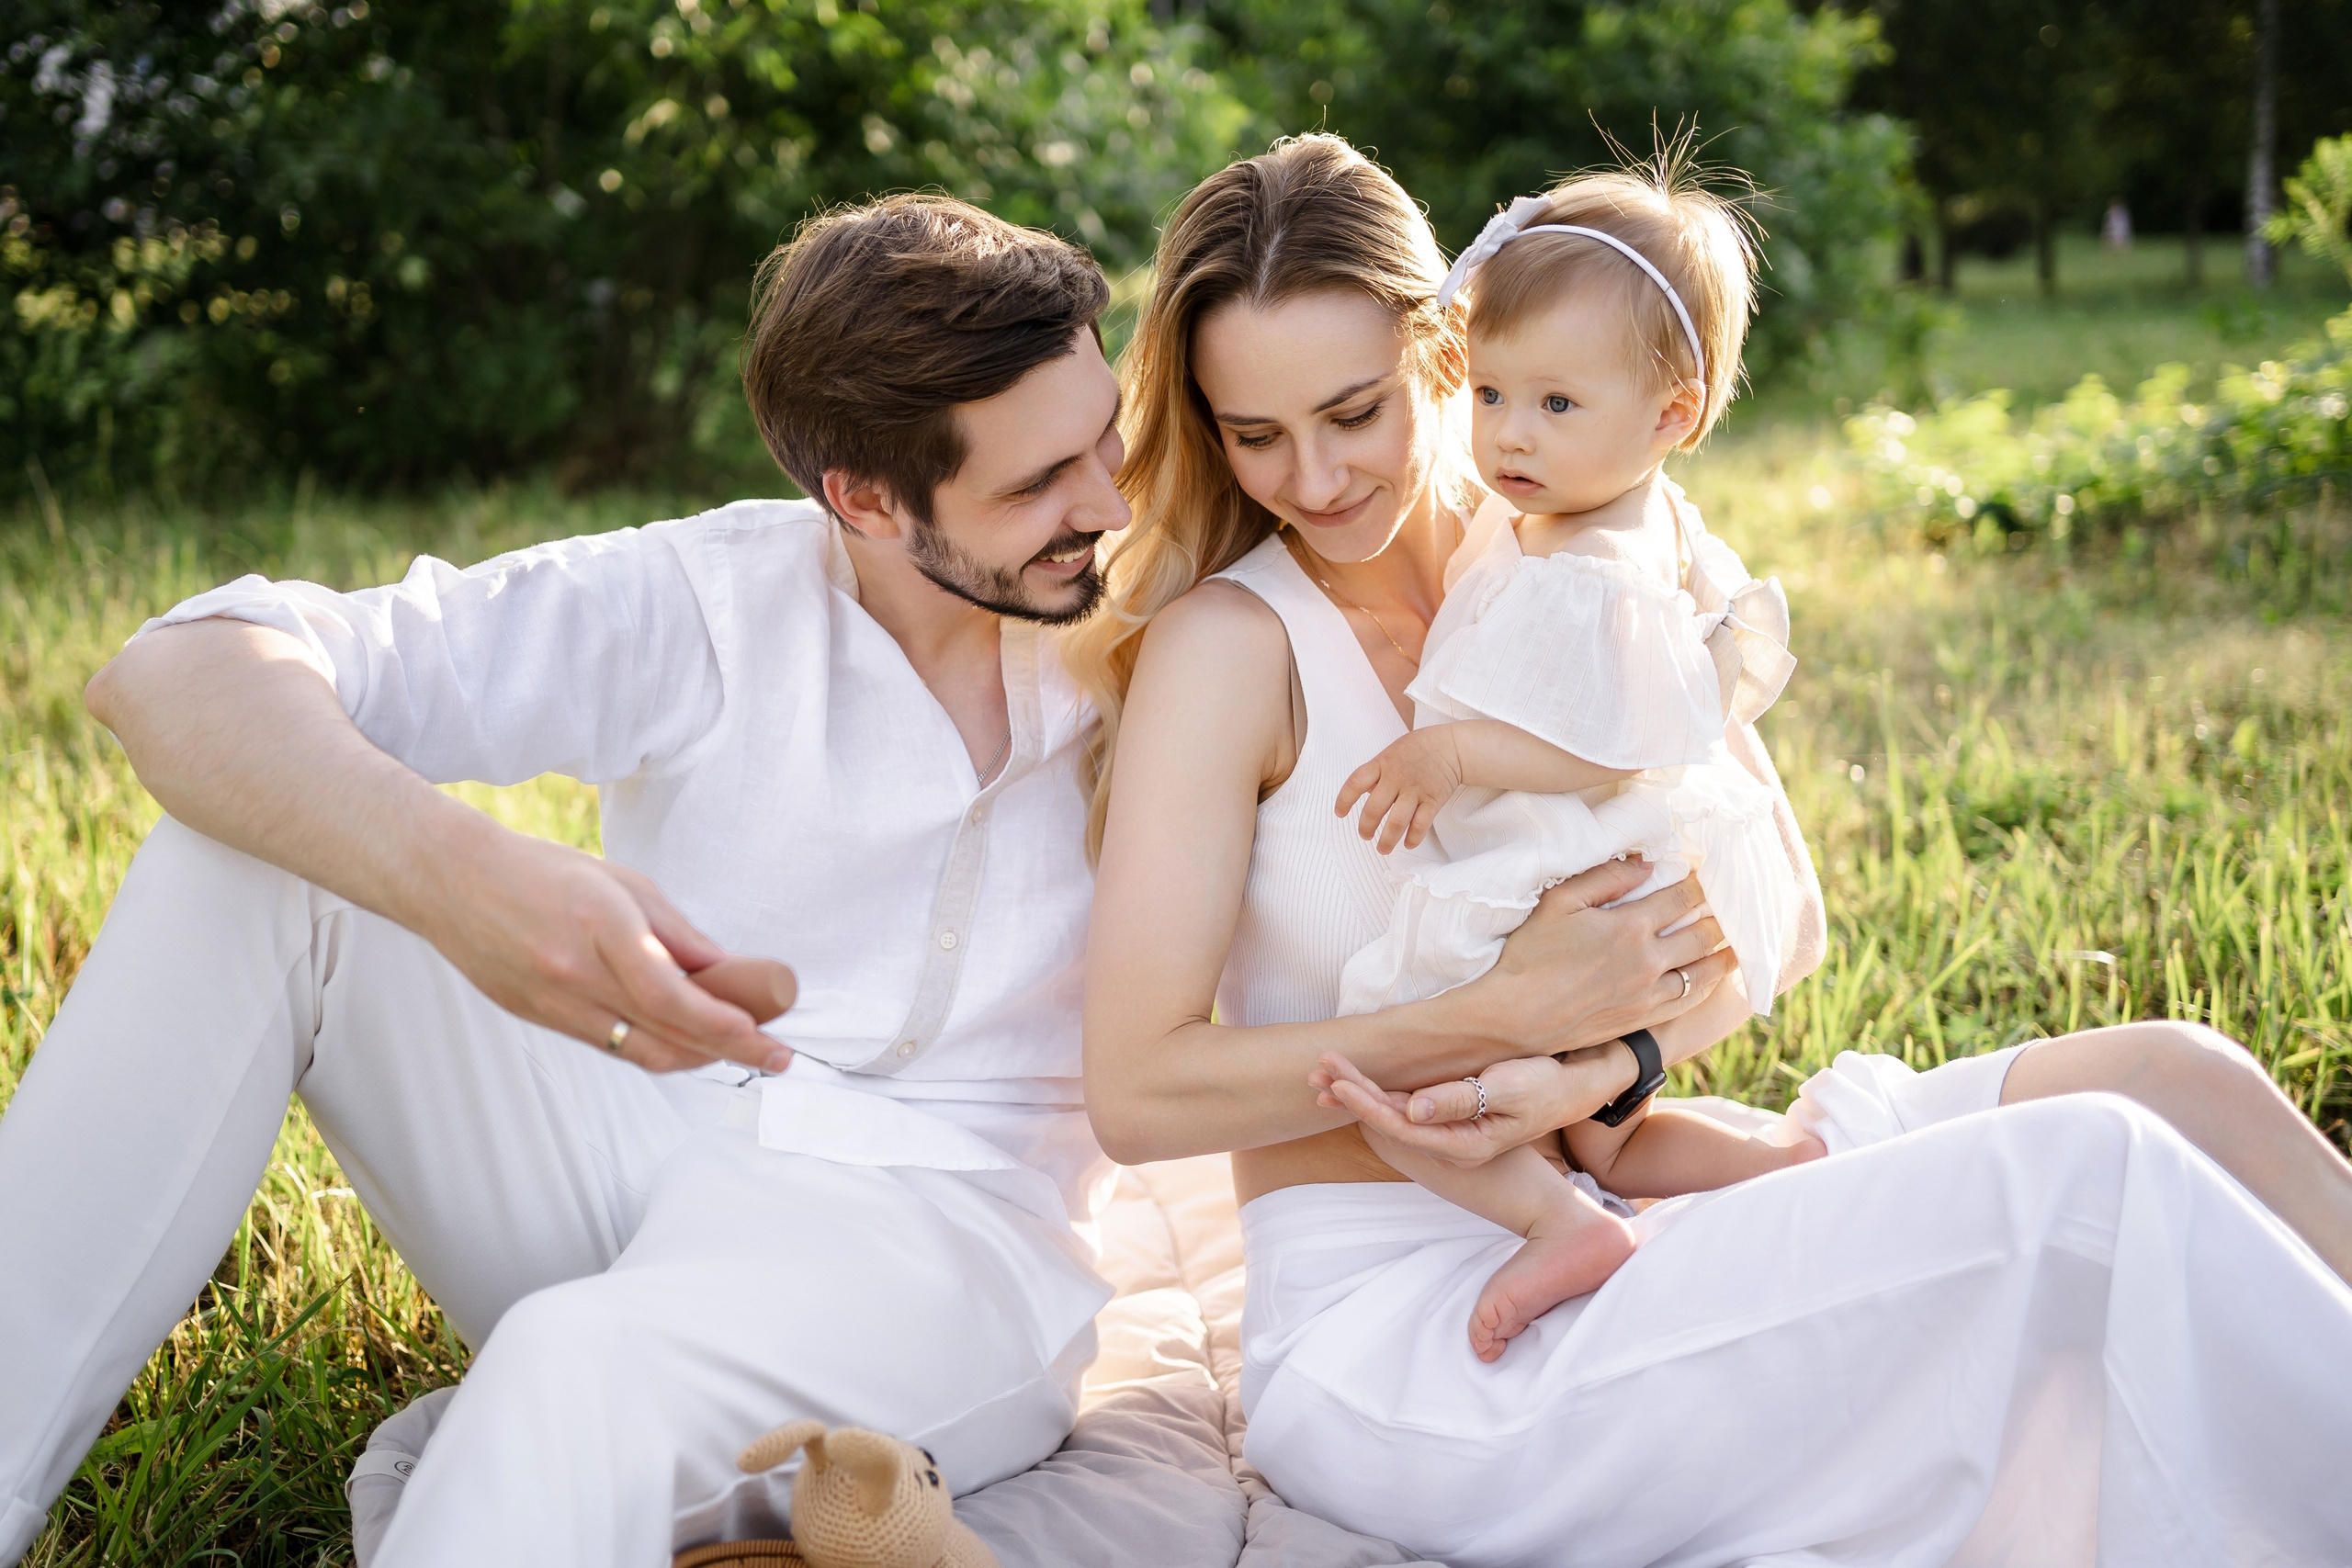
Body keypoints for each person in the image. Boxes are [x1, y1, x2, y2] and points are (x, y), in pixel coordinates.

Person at [1078, 133, 2352, 1568]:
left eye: (1353, 412)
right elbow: (1136, 1092)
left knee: (2180, 1083)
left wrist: (1602, 1063)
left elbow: (1775, 912)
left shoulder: (1578, 540)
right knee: (2091, 1176)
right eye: (1254, 435)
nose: (1310, 477)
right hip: (1417, 1325)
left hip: (1622, 1184)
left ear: (1447, 351)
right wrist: (1486, 1018)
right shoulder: (1230, 650)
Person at [4, 194, 1132, 1568]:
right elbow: (176, 671)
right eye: (1037, 485)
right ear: (864, 501)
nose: (1109, 502)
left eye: (1106, 436)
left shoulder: (1168, 618)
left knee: (568, 1370)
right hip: (645, 1121)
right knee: (251, 859)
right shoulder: (709, 599)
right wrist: (470, 879)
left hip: (950, 1234)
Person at [1315, 168, 1828, 1359]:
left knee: (1394, 1072)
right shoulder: (1593, 505)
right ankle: (1779, 1167)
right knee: (1605, 1126)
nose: (1506, 433)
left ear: (1669, 416)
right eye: (1490, 393)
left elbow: (1601, 739)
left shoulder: (1590, 573)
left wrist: (1453, 751)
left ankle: (1559, 1229)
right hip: (1604, 869)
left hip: (1563, 863)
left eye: (1554, 403)